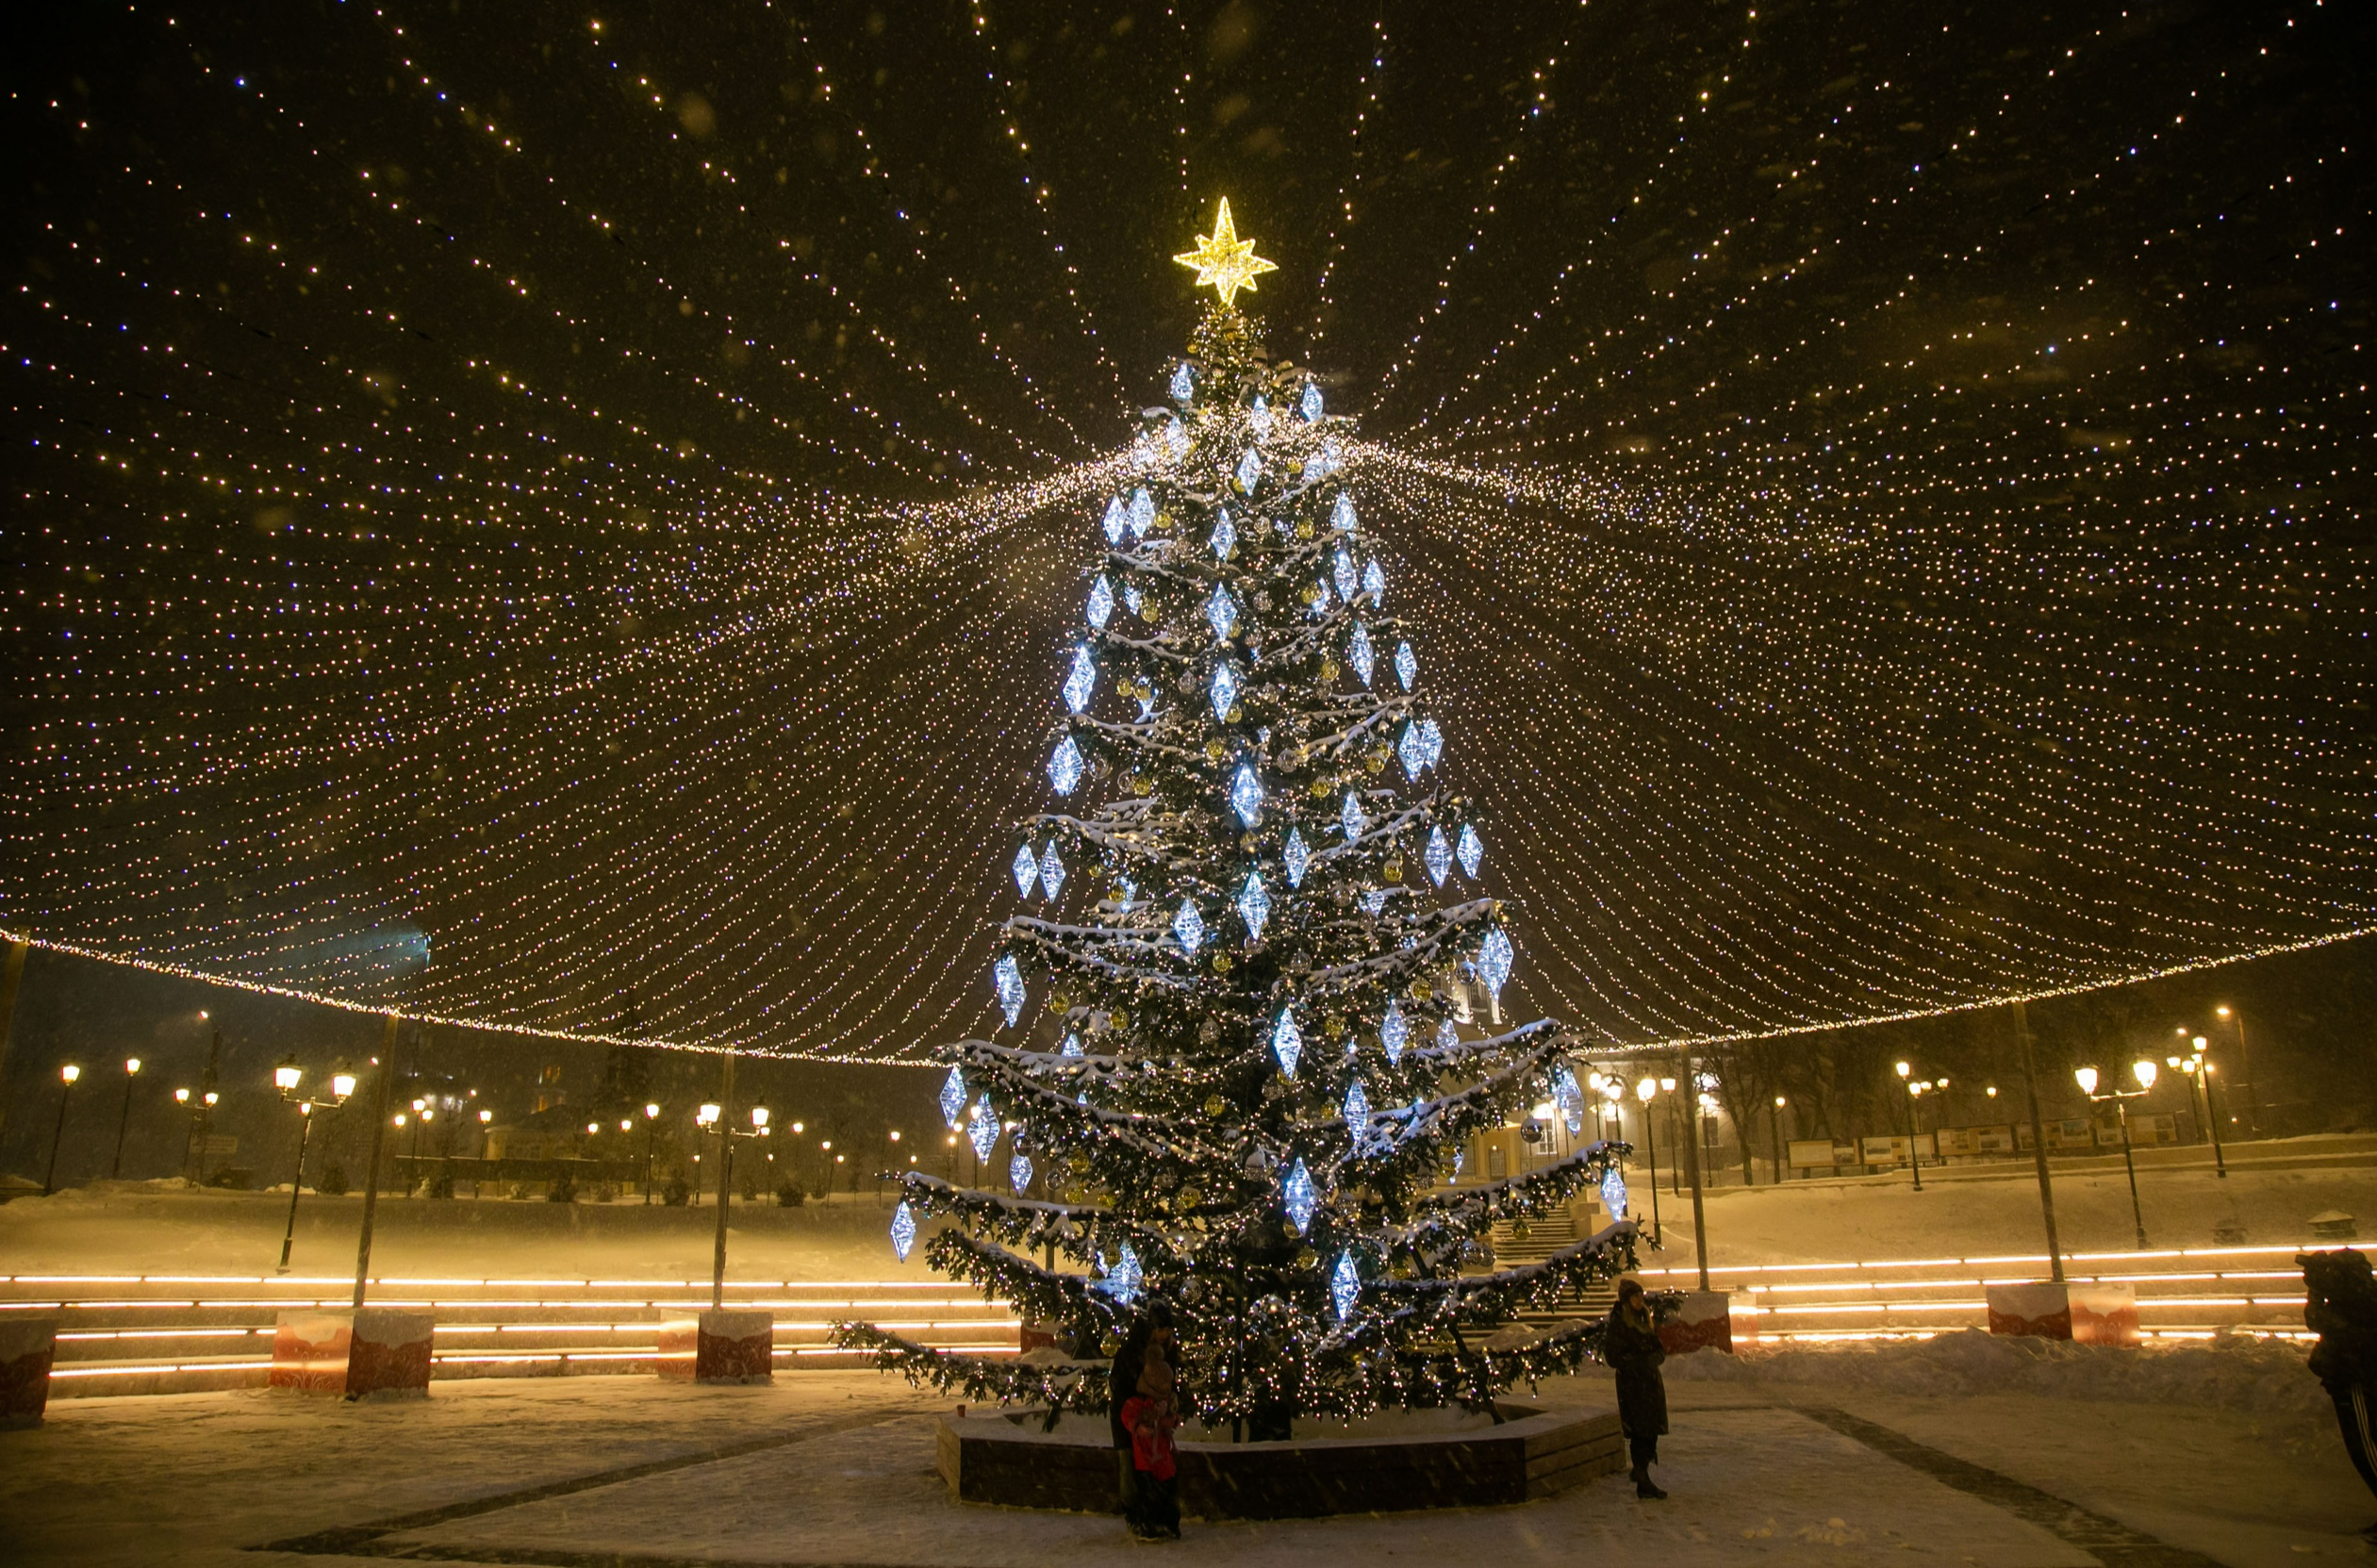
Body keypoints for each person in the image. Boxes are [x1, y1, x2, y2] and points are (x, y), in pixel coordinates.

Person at [2303, 1248, 2377, 1529]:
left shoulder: (2358, 1298)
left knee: (2364, 1447)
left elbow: (2320, 1320)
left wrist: (2318, 1290)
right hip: (2354, 1375)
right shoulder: (2361, 1294)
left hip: (2355, 1379)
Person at [1108, 1304, 1176, 1533]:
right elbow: (1120, 1385)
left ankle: (1152, 1518)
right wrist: (1137, 1409)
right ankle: (1135, 1516)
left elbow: (1169, 1382)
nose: (1163, 1335)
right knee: (1128, 1467)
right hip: (1128, 1415)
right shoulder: (1134, 1350)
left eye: (1167, 1330)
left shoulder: (1168, 1350)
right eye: (1160, 1330)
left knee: (1152, 1470)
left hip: (1151, 1420)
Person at [1602, 1276, 1669, 1500]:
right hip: (1633, 1385)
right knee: (1641, 1431)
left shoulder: (1645, 1318)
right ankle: (1643, 1478)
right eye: (1635, 1296)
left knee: (1651, 1431)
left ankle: (1641, 1473)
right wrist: (1635, 1362)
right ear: (1626, 1299)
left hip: (1650, 1383)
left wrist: (1654, 1359)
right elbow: (1613, 1356)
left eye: (1641, 1296)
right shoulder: (1619, 1322)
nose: (1640, 1300)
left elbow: (1659, 1348)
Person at [1119, 1344, 1184, 1539]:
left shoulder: (1163, 1403)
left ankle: (1167, 1523)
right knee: (1150, 1492)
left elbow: (1166, 1420)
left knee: (1166, 1489)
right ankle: (1150, 1524)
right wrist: (1139, 1427)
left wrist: (1170, 1421)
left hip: (1162, 1456)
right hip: (1146, 1458)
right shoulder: (1138, 1403)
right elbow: (1128, 1417)